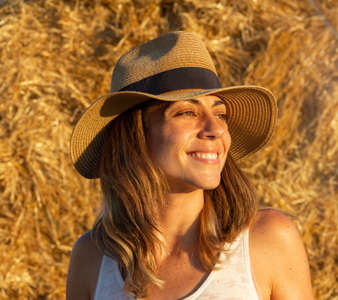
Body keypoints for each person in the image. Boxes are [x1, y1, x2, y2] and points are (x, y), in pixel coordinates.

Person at [66, 31, 313, 300]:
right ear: (136, 136)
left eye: (220, 114)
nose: (215, 129)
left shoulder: (268, 240)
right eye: (187, 112)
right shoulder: (93, 258)